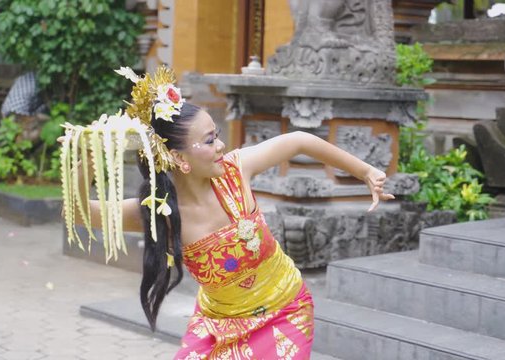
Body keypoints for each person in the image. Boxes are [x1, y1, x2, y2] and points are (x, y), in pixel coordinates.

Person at [66, 69, 394, 359]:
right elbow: (80, 214)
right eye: (210, 141)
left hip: (285, 312)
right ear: (179, 159)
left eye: (217, 135)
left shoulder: (236, 170)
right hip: (217, 324)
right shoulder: (159, 211)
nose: (221, 146)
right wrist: (92, 161)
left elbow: (298, 141)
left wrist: (364, 171)